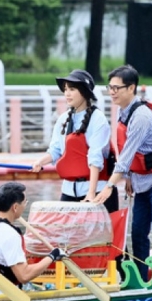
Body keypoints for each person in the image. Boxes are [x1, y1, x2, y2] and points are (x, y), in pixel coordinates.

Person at [94, 64, 152, 281]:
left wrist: (110, 186)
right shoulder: (123, 113)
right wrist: (130, 178)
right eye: (109, 87)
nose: (112, 92)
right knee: (139, 232)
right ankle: (141, 280)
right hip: (141, 181)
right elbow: (127, 153)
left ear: (131, 88)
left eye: (116, 88)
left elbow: (126, 155)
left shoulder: (141, 115)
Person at [31, 69, 118, 213]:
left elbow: (95, 158)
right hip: (69, 192)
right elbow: (56, 150)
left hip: (96, 191)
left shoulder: (98, 119)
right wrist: (40, 162)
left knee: (99, 236)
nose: (67, 93)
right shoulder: (63, 119)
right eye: (65, 89)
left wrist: (91, 194)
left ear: (84, 91)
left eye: (72, 89)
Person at [0, 182, 67, 297]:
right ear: (15, 207)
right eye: (25, 202)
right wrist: (53, 256)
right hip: (0, 296)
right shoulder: (10, 234)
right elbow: (24, 276)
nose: (25, 205)